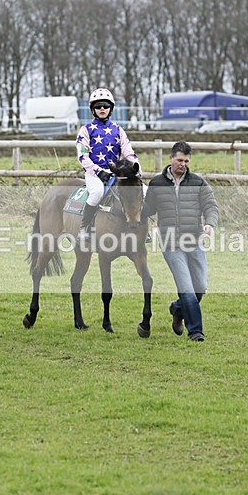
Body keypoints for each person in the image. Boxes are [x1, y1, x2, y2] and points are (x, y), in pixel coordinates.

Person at [142, 141, 219, 342]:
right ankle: (196, 331)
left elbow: (211, 206)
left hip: (194, 240)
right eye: (179, 160)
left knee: (200, 286)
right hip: (170, 243)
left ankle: (177, 309)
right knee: (186, 286)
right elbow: (147, 210)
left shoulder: (198, 182)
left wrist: (210, 224)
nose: (182, 164)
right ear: (170, 159)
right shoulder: (157, 183)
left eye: (186, 161)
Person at [75, 88, 140, 241]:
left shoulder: (118, 130)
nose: (102, 108)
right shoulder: (85, 130)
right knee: (97, 192)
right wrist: (98, 171)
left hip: (117, 173)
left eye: (106, 105)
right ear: (93, 109)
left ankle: (141, 226)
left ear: (111, 108)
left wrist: (136, 169)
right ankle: (84, 227)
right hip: (94, 174)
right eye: (98, 106)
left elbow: (128, 152)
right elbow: (82, 156)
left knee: (141, 190)